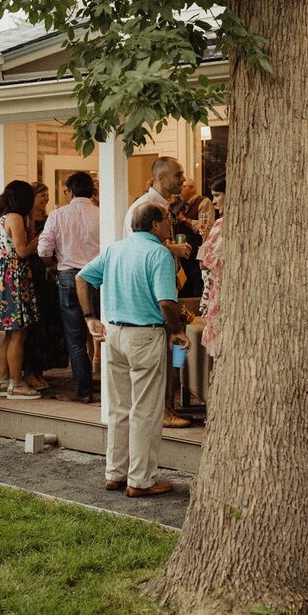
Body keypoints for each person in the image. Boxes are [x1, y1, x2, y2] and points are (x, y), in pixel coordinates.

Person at [77, 202, 188, 497]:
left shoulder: (116, 249)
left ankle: (115, 472)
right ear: (154, 224)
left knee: (118, 408)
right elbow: (166, 301)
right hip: (145, 336)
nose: (170, 225)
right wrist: (176, 330)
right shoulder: (159, 253)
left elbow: (82, 277)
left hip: (114, 334)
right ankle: (141, 480)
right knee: (146, 410)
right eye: (166, 220)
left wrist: (90, 317)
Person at [122, 156, 192, 428]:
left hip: (164, 285)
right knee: (163, 352)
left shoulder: (164, 207)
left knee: (169, 351)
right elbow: (137, 250)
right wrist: (171, 250)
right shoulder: (144, 208)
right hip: (153, 293)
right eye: (178, 175)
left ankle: (167, 407)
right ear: (161, 179)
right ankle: (162, 411)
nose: (183, 179)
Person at [36, 171, 101, 403]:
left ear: (70, 191)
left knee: (75, 338)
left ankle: (83, 391)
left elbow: (43, 250)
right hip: (98, 276)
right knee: (105, 331)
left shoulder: (58, 215)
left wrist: (52, 264)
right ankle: (110, 386)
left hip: (69, 276)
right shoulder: (101, 214)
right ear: (91, 191)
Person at [0, 180, 41, 399]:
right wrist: (41, 237)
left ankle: (2, 380)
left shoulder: (0, 218)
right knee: (19, 333)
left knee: (8, 334)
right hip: (15, 276)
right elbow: (23, 250)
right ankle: (17, 383)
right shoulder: (15, 218)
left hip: (2, 275)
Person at [23, 181, 65, 390]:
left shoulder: (49, 219)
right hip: (34, 272)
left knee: (48, 320)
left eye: (47, 195)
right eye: (42, 195)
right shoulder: (26, 221)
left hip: (49, 273)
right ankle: (31, 370)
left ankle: (42, 368)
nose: (46, 198)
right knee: (34, 323)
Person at [198, 175, 225, 353]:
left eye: (217, 195)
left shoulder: (222, 224)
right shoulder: (218, 224)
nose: (213, 201)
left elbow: (204, 263)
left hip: (221, 292)